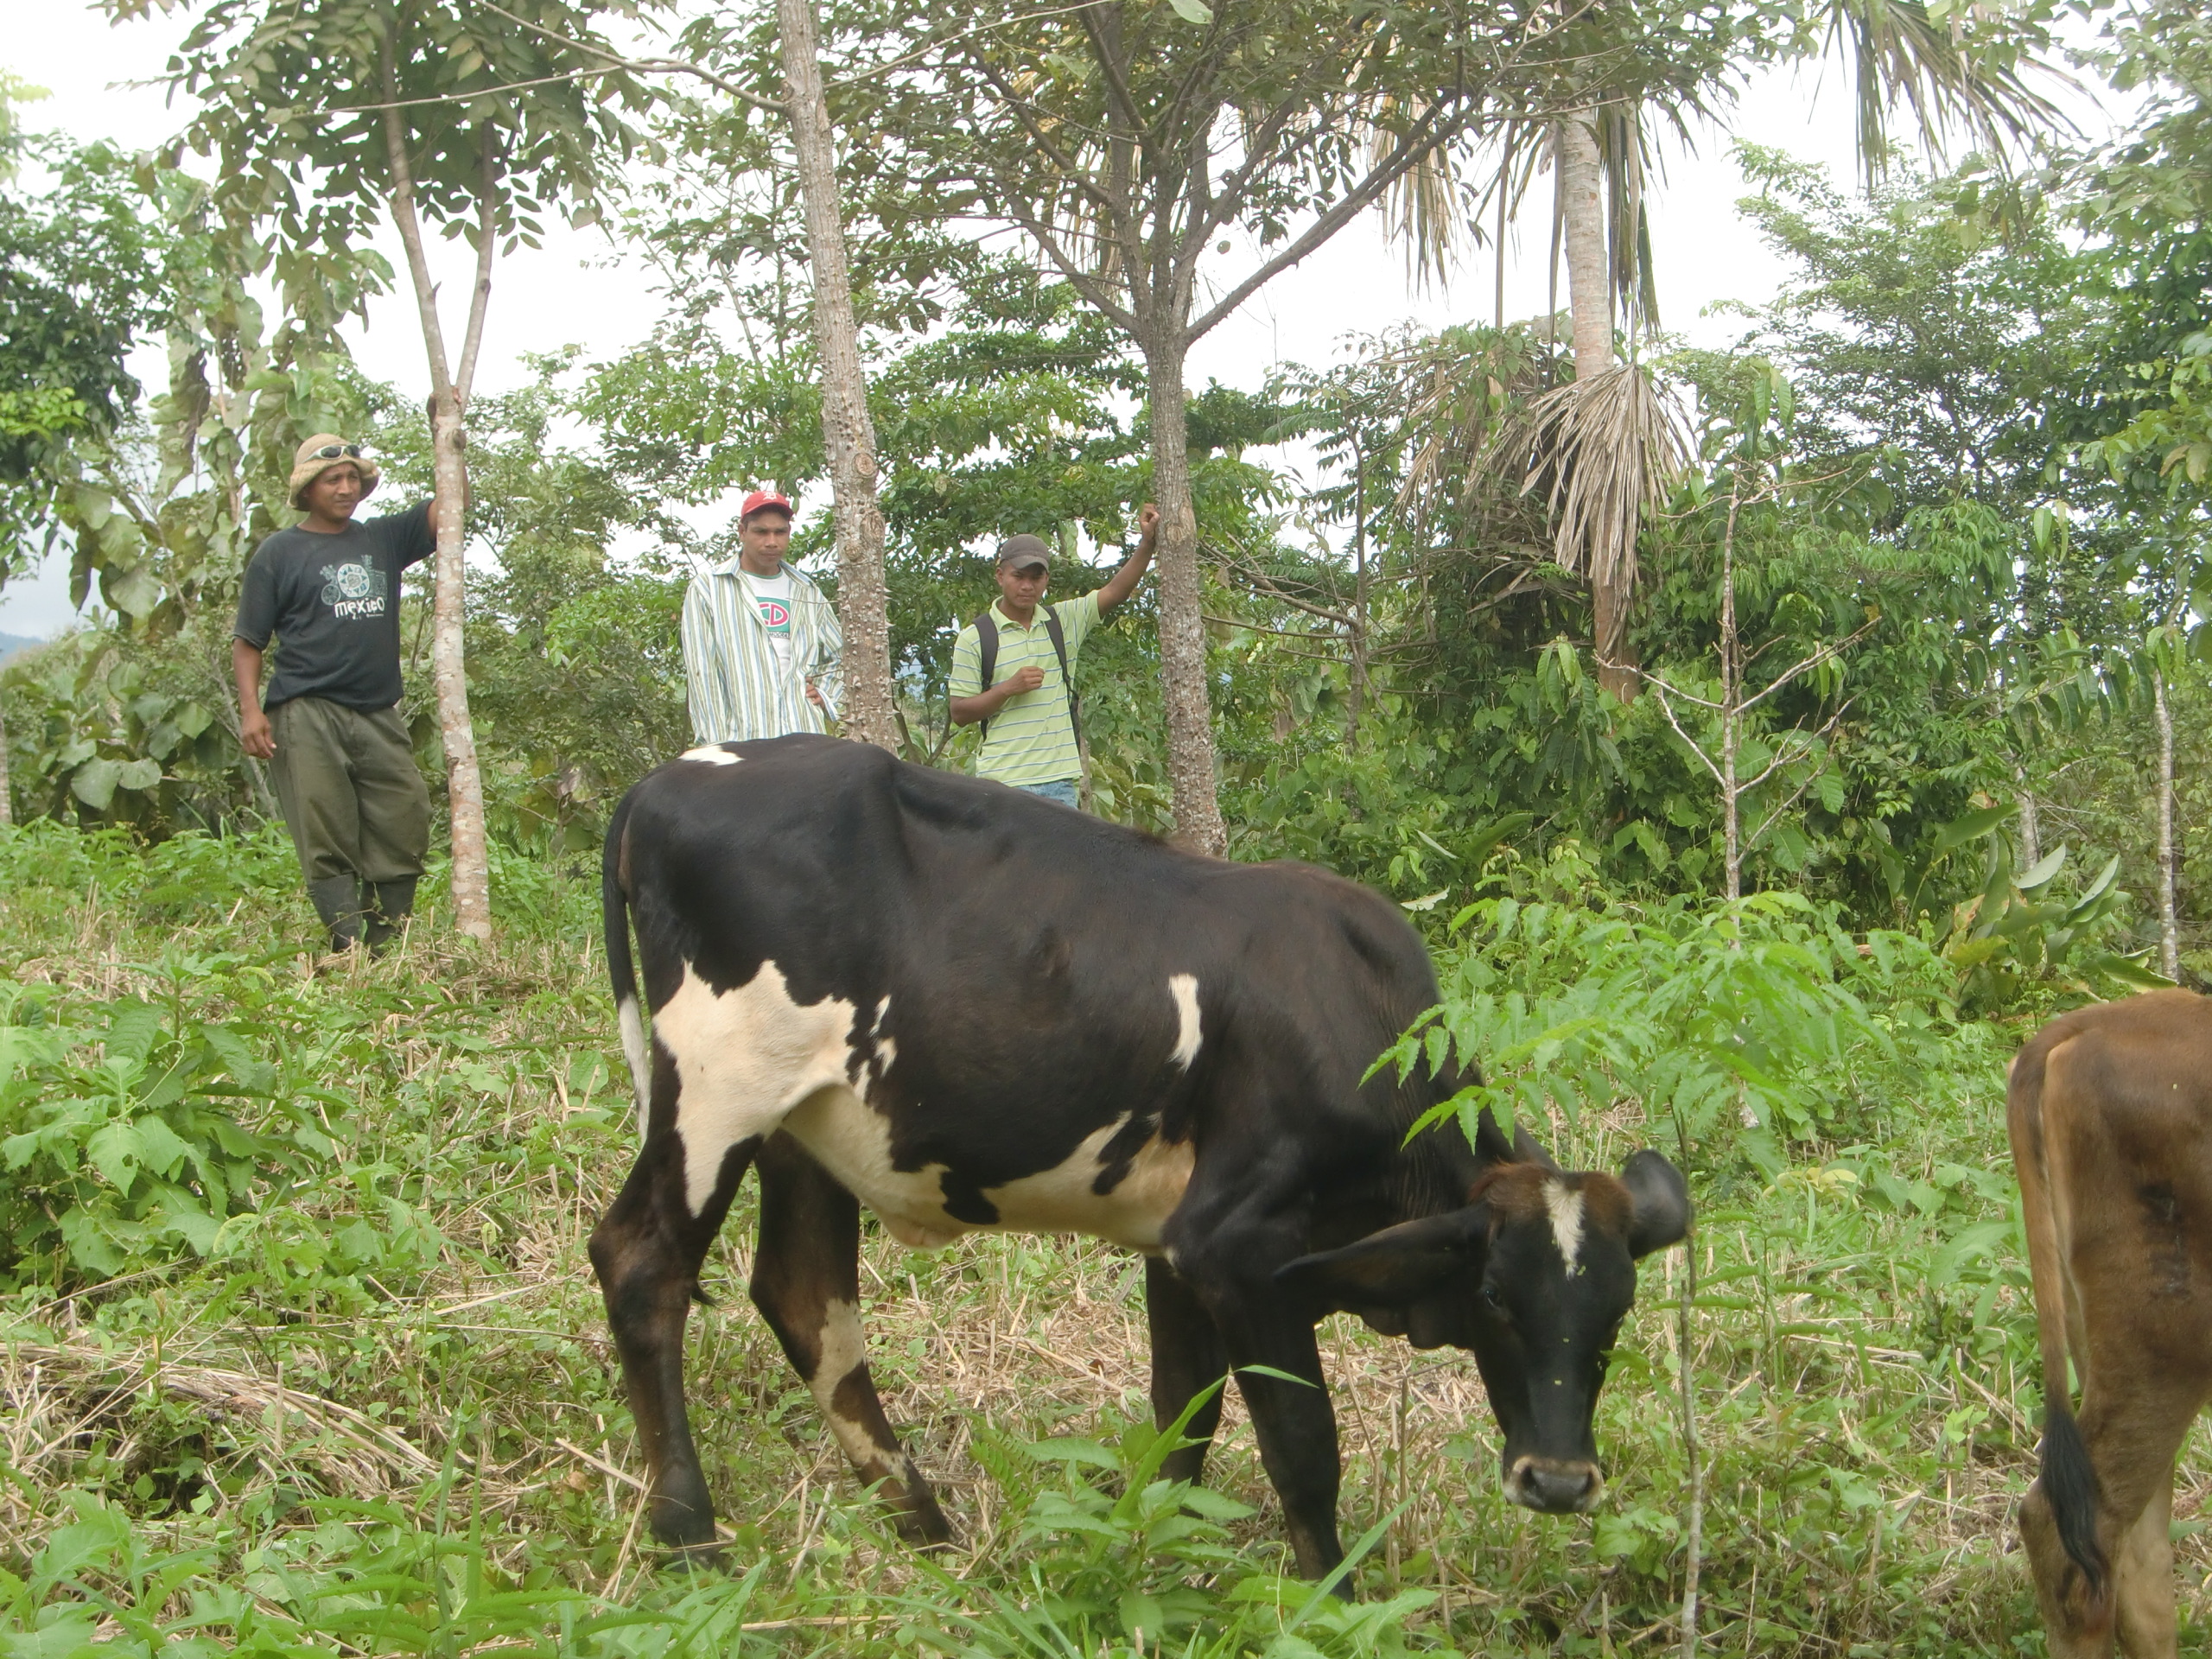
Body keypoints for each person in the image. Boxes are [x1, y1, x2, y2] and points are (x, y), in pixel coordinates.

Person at [233, 435, 441, 956]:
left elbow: (449, 506)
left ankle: (385, 945)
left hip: (377, 711)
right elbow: (248, 641)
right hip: (306, 710)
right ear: (308, 490)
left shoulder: (382, 539)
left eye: (353, 478)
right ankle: (347, 950)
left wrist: (443, 434)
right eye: (333, 480)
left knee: (405, 813)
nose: (346, 488)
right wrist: (251, 711)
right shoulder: (278, 553)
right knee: (326, 829)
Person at [948, 505, 1158, 806]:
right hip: (1002, 784)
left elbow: (1114, 591)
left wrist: (1148, 543)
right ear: (999, 576)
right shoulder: (976, 638)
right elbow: (959, 713)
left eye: (1037, 578)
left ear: (1046, 579)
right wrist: (1008, 689)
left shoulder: (1062, 622)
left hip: (1059, 785)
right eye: (1018, 576)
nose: (1027, 586)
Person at [680, 489, 843, 745]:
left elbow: (840, 655)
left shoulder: (806, 590)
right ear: (742, 532)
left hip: (804, 739)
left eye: (780, 532)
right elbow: (703, 672)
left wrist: (825, 694)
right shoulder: (709, 588)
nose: (771, 542)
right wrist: (715, 748)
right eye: (761, 532)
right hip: (743, 742)